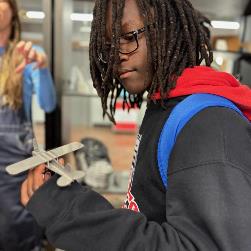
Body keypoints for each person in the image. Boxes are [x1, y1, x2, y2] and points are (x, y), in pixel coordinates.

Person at [21, 0, 251, 250]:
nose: (117, 55)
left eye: (129, 36)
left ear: (166, 28)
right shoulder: (163, 105)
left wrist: (70, 212)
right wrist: (69, 197)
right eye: (109, 44)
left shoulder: (208, 125)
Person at [0, 0, 56, 250]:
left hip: (15, 163)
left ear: (12, 13)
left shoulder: (26, 56)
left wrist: (41, 70)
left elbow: (48, 104)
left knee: (18, 230)